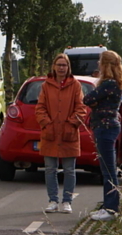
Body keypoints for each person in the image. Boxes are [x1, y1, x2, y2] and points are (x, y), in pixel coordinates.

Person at [35, 54, 87, 214]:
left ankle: (67, 201)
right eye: (59, 65)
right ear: (54, 66)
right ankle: (52, 200)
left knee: (69, 170)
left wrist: (71, 124)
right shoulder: (46, 85)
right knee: (50, 169)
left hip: (68, 134)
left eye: (64, 65)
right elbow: (40, 107)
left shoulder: (75, 85)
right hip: (50, 133)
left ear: (68, 67)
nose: (61, 68)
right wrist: (47, 123)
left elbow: (81, 108)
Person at [84, 50, 122, 222]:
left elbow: (87, 99)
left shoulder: (108, 84)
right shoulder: (116, 83)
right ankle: (108, 205)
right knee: (107, 168)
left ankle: (111, 208)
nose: (98, 64)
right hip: (109, 127)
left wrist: (96, 103)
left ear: (105, 64)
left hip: (105, 128)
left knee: (108, 170)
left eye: (100, 61)